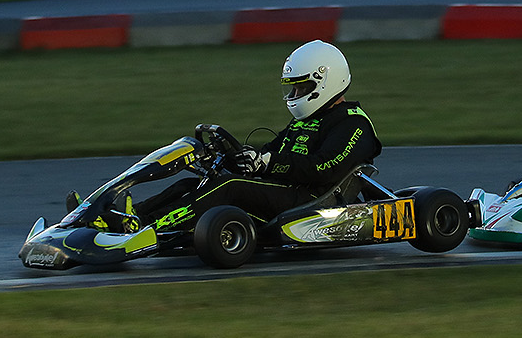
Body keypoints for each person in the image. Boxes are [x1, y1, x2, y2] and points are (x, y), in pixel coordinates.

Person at [128, 39, 382, 232]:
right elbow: (272, 151)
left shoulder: (353, 124)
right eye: (293, 88)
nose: (295, 95)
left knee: (230, 187)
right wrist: (240, 158)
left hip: (312, 200)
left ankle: (148, 228)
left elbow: (323, 168)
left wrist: (268, 163)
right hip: (286, 190)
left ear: (324, 81)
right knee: (192, 184)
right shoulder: (306, 120)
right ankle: (133, 216)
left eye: (301, 87)